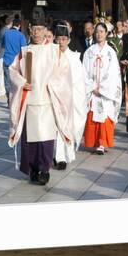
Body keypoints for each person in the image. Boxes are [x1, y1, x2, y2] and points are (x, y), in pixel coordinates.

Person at [8, 17, 74, 186]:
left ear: (46, 30)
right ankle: (32, 169)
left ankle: (44, 169)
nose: (37, 32)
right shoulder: (25, 51)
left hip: (46, 99)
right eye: (34, 28)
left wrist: (51, 84)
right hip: (29, 100)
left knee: (45, 138)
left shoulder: (54, 50)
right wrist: (22, 83)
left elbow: (63, 73)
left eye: (40, 29)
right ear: (29, 29)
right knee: (30, 139)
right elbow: (13, 70)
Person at [82, 22, 122, 154]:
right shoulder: (89, 52)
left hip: (106, 92)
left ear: (106, 34)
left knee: (105, 115)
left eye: (102, 32)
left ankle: (103, 143)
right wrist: (92, 86)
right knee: (93, 114)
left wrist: (103, 88)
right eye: (97, 31)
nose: (99, 34)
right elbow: (84, 71)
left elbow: (113, 73)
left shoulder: (111, 52)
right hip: (92, 90)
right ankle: (94, 142)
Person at [53, 22, 88, 170]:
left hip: (70, 99)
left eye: (63, 39)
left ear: (68, 40)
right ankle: (57, 156)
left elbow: (79, 81)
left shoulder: (74, 58)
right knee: (55, 128)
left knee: (67, 128)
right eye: (58, 39)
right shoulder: (51, 56)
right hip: (54, 97)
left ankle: (64, 155)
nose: (61, 42)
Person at [2, 18, 27, 103]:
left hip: (6, 60)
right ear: (19, 26)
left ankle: (9, 98)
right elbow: (24, 50)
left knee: (7, 81)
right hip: (16, 62)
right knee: (16, 81)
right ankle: (14, 99)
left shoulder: (6, 34)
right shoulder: (21, 35)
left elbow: (3, 45)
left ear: (12, 24)